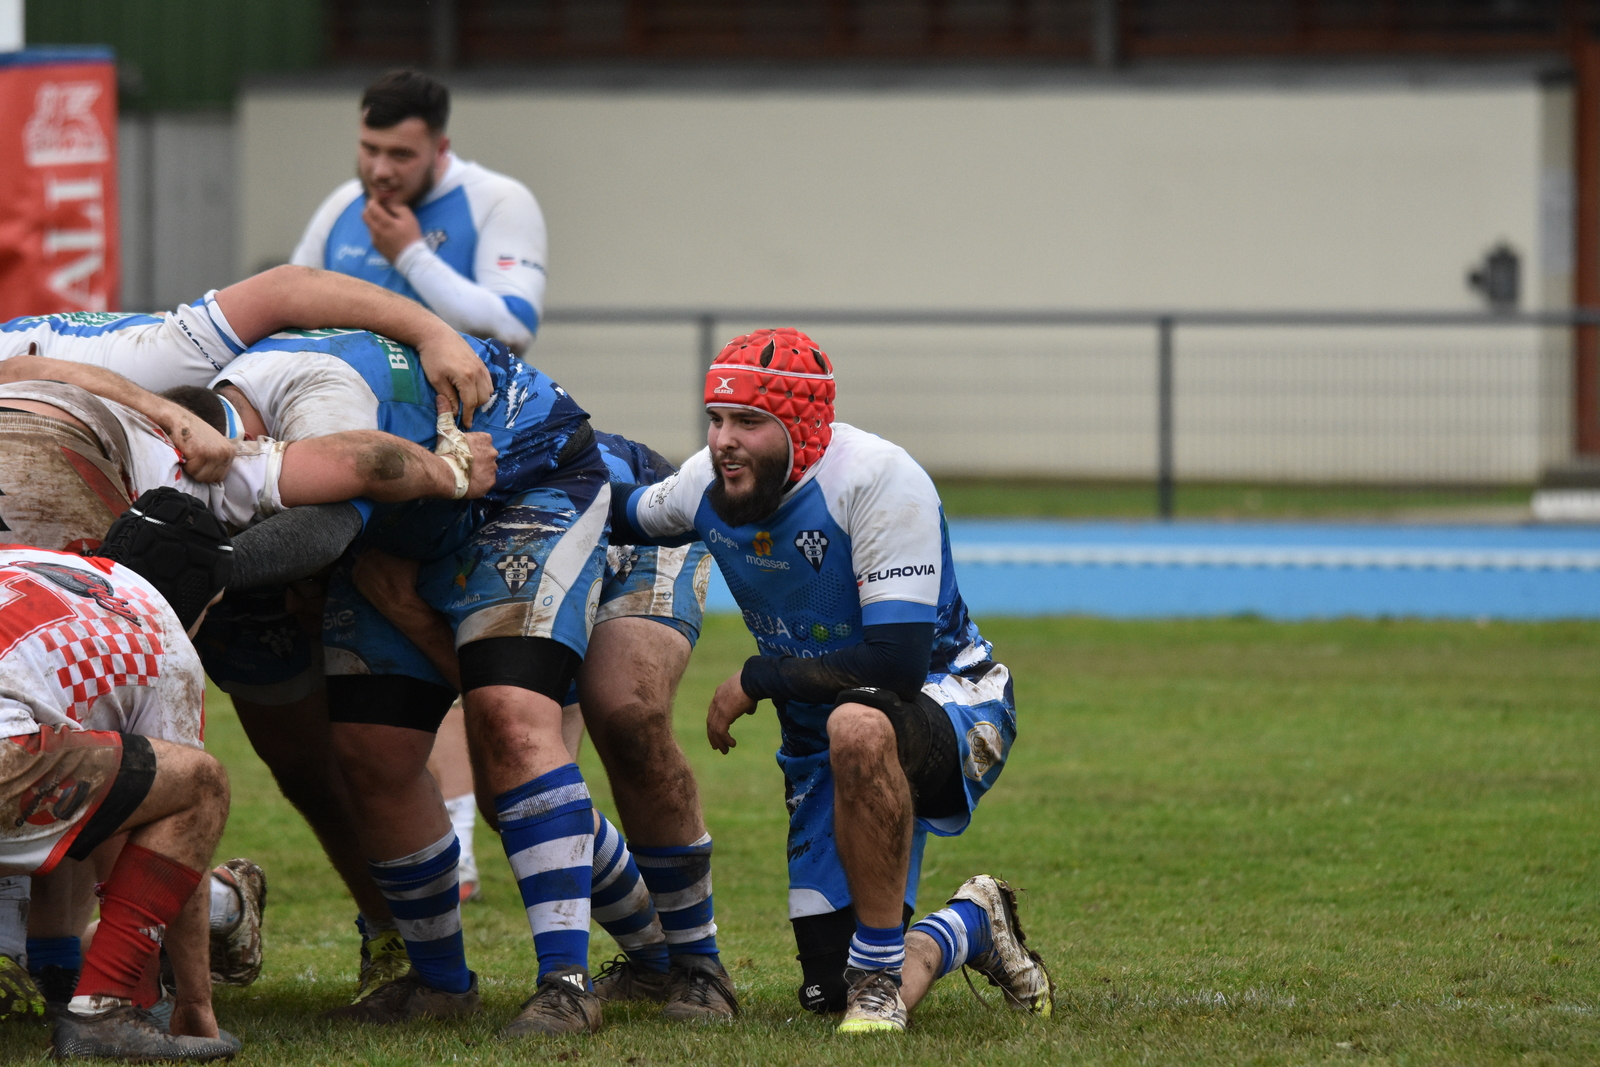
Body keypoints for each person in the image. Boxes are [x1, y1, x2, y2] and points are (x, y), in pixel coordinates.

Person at [609, 329, 1054, 1033]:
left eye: (749, 422)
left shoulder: (878, 481)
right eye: (716, 419)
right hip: (820, 735)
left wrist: (758, 676)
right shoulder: (703, 483)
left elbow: (896, 665)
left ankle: (878, 979)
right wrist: (542, 467)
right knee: (825, 991)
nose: (724, 441)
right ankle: (971, 923)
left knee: (859, 721)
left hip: (949, 700)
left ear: (803, 427)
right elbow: (621, 511)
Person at [179, 328, 620, 1036]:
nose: (235, 504)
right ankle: (439, 982)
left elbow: (321, 528)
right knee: (369, 750)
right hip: (404, 524)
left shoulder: (323, 404)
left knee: (512, 723)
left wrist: (189, 573)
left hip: (522, 486)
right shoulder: (198, 400)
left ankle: (573, 981)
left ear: (255, 443)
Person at [352, 429, 737, 1020]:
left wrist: (409, 613)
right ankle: (656, 962)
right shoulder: (369, 514)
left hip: (615, 516)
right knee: (515, 798)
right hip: (514, 535)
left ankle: (698, 964)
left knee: (627, 715)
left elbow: (522, 689)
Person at [0, 488, 238, 1061]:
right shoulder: (163, 630)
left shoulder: (26, 560)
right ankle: (104, 1013)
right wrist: (195, 1000)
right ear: (193, 594)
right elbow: (159, 825)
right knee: (200, 785)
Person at [291, 70, 546, 354]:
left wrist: (411, 256)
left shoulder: (499, 200)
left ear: (441, 149)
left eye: (401, 155)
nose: (380, 171)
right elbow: (288, 307)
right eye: (370, 149)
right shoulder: (342, 202)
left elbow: (515, 328)